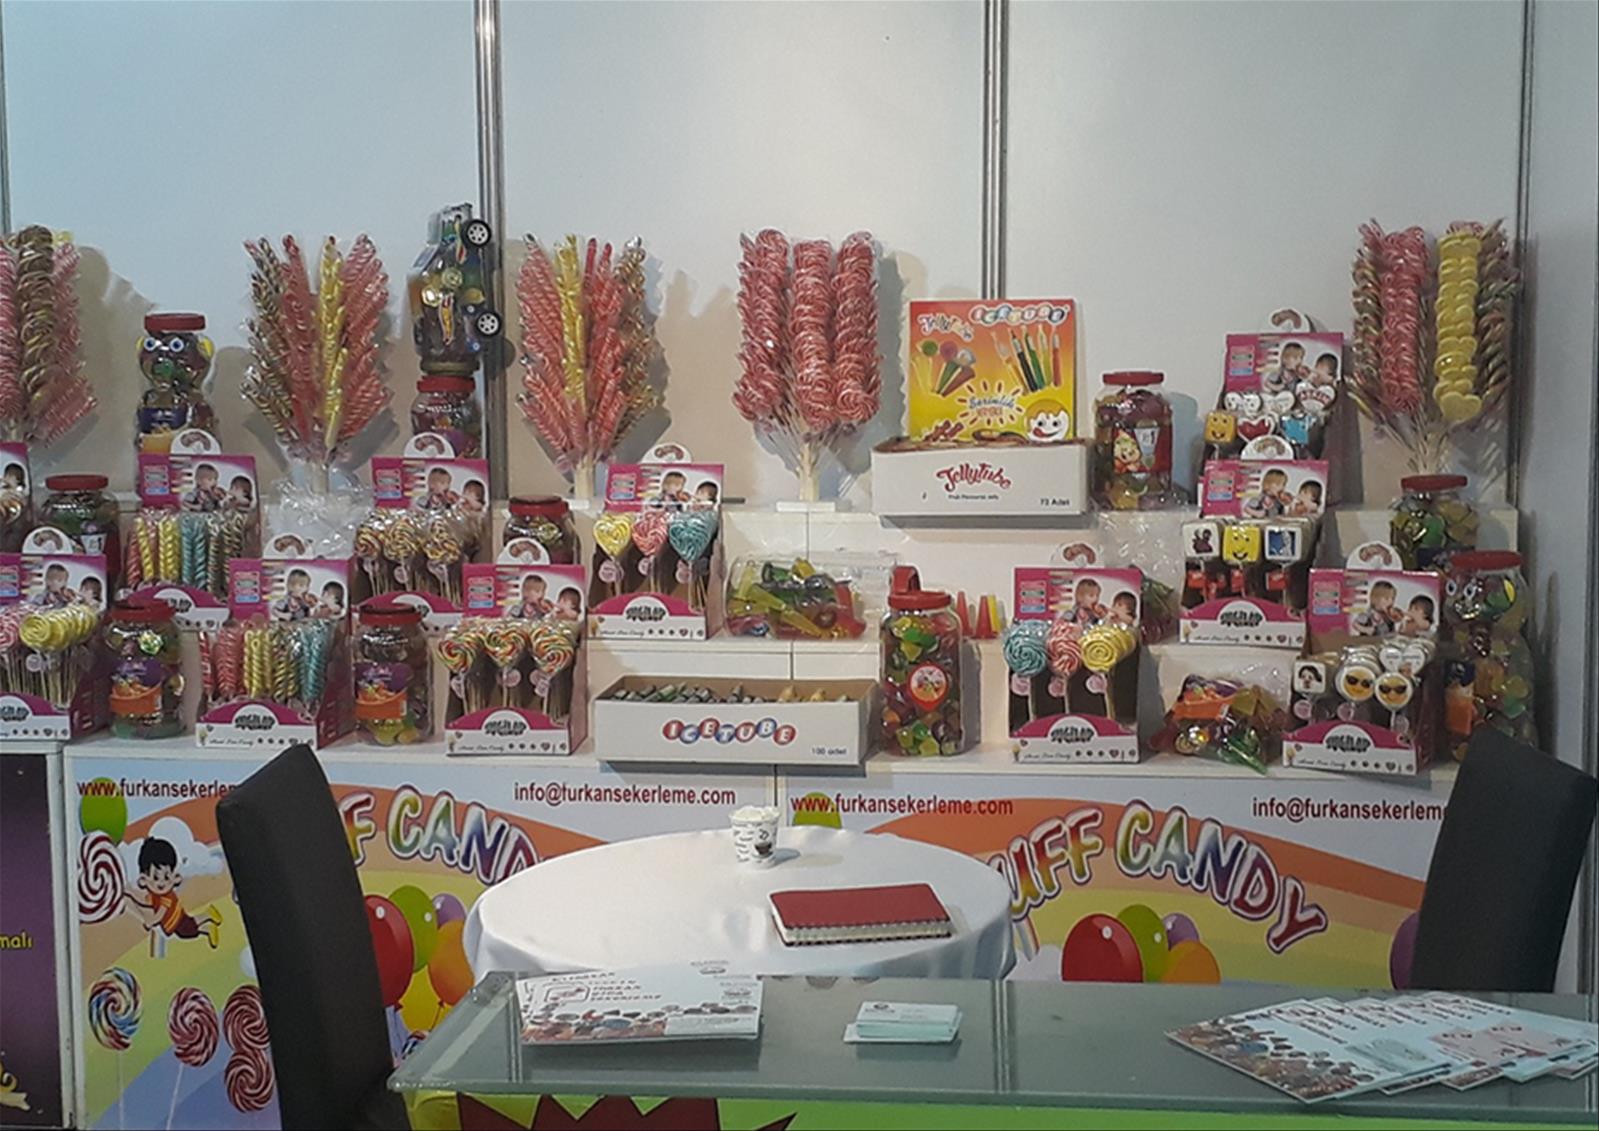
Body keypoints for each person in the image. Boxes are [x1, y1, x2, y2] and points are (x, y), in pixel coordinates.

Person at [122, 836, 221, 948]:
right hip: (176, 919)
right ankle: (208, 916)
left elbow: (160, 915)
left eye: (166, 877)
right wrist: (130, 893)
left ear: (174, 877)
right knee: (190, 925)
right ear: (144, 879)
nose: (161, 883)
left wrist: (150, 922)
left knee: (189, 930)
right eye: (155, 877)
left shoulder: (165, 898)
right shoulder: (154, 896)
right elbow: (144, 902)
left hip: (177, 919)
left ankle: (208, 927)